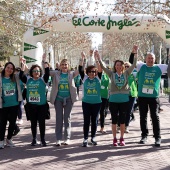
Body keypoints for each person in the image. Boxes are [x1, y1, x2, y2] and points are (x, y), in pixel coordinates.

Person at [97, 45, 137, 146]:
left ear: (123, 66)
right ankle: (114, 138)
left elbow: (134, 64)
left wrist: (135, 52)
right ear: (115, 66)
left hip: (124, 100)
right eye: (117, 65)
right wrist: (98, 57)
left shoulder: (127, 73)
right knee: (114, 120)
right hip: (113, 100)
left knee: (122, 121)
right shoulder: (111, 74)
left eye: (120, 65)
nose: (118, 66)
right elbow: (103, 67)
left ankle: (122, 138)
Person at [129, 51, 170, 147]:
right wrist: (133, 52)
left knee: (155, 117)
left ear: (154, 60)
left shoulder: (159, 67)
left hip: (153, 97)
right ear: (145, 59)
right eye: (149, 58)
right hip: (142, 96)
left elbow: (169, 68)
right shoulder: (141, 66)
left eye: (152, 58)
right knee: (143, 117)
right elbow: (131, 62)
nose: (150, 60)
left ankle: (157, 137)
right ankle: (144, 136)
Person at [19, 58, 49, 147]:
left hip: (42, 105)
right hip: (31, 106)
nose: (36, 72)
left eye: (38, 71)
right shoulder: (28, 80)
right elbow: (21, 75)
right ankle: (34, 139)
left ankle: (43, 139)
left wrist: (44, 61)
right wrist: (22, 65)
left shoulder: (43, 80)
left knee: (42, 123)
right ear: (31, 72)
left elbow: (47, 72)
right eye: (35, 71)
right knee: (33, 123)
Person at [49, 59, 79, 146]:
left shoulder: (71, 74)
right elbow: (46, 72)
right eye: (62, 64)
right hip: (58, 99)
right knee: (59, 119)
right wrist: (44, 61)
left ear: (68, 65)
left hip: (69, 99)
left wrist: (82, 59)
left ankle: (67, 138)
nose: (64, 66)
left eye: (66, 64)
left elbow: (81, 70)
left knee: (67, 118)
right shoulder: (56, 74)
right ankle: (58, 139)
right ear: (60, 66)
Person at [79, 51, 102, 147]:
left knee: (94, 121)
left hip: (97, 103)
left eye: (93, 72)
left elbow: (101, 69)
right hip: (86, 103)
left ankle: (93, 137)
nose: (92, 73)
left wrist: (97, 59)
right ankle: (85, 139)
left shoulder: (98, 79)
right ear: (87, 73)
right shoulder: (85, 79)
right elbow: (80, 69)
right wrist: (83, 59)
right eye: (90, 72)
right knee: (86, 121)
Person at [0, 62, 23, 149]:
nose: (9, 70)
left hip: (14, 104)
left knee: (12, 123)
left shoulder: (15, 78)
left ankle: (9, 139)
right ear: (5, 68)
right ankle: (1, 140)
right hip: (3, 105)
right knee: (2, 124)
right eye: (8, 67)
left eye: (11, 68)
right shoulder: (1, 78)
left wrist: (22, 66)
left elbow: (22, 77)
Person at [124, 62, 138, 133]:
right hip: (123, 95)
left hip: (132, 95)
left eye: (128, 66)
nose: (127, 68)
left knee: (129, 111)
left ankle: (126, 126)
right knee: (123, 111)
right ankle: (120, 125)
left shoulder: (134, 74)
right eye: (125, 66)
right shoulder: (122, 75)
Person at [99, 68, 110, 133]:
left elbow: (108, 84)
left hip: (105, 96)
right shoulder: (95, 74)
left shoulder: (107, 75)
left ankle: (102, 127)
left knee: (102, 111)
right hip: (96, 96)